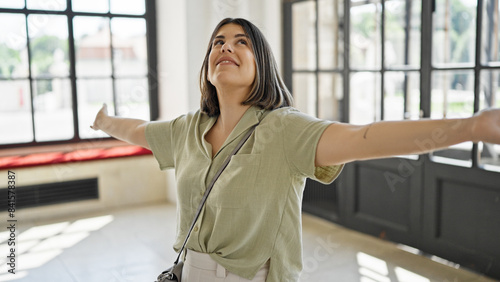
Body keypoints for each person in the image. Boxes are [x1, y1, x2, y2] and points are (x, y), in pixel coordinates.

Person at [91, 18, 500, 282]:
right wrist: (105, 122)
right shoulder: (187, 129)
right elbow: (141, 131)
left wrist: (472, 126)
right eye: (217, 42)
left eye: (240, 42)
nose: (225, 48)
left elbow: (364, 137)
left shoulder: (285, 128)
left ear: (261, 63)